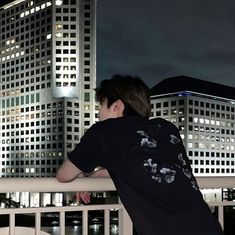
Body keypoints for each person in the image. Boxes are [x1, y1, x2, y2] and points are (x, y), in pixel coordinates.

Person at [56, 74, 223, 235]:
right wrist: (98, 175)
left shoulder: (104, 132)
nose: (99, 113)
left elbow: (64, 175)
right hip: (208, 225)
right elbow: (146, 164)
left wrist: (86, 178)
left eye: (102, 104)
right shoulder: (165, 128)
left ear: (117, 106)